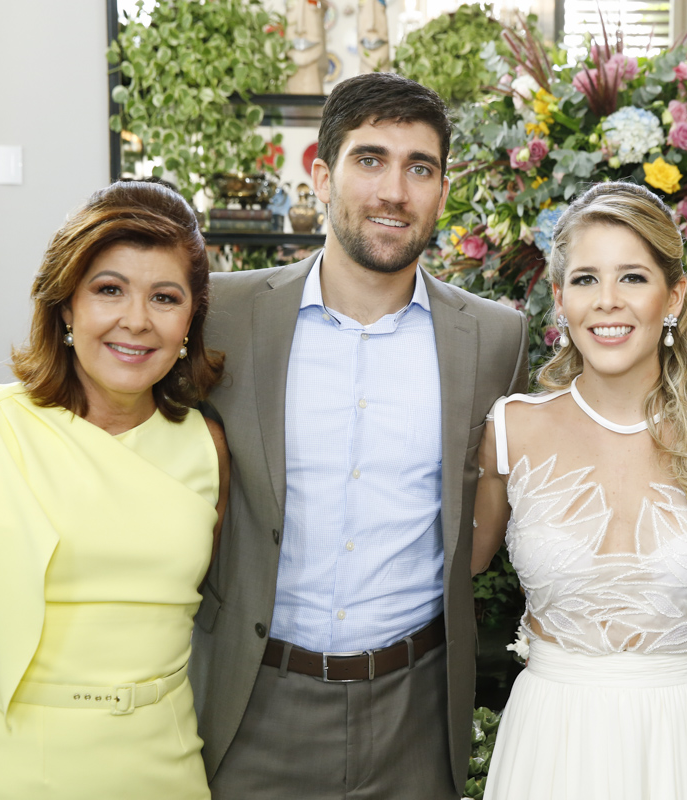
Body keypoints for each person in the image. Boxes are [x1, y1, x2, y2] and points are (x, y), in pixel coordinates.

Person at [188, 72, 528, 799]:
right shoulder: (223, 319)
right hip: (253, 702)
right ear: (320, 176)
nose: (393, 192)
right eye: (369, 160)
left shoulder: (495, 338)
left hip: (415, 711)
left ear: (443, 189)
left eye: (420, 167)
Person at [0, 180, 230, 797]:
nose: (136, 321)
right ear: (65, 307)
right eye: (109, 290)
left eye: (165, 297)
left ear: (191, 317)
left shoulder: (210, 447)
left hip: (161, 768)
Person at [472, 181, 687, 800]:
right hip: (551, 739)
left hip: (684, 738)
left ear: (674, 298)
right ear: (558, 299)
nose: (607, 302)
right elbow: (455, 566)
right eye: (584, 280)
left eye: (632, 277)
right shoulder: (510, 429)